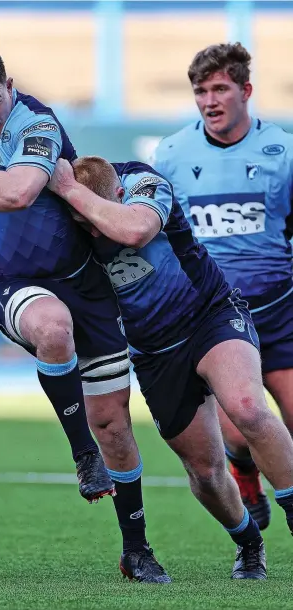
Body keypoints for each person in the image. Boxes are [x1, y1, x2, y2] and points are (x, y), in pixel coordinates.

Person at [0, 49, 171, 584]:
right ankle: (83, 455)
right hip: (14, 283)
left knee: (117, 426)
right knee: (52, 328)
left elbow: (22, 190)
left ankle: (137, 549)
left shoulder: (36, 123)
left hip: (85, 280)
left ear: (9, 85)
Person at [42, 154, 293, 579]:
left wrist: (70, 190)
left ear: (117, 194)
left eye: (95, 217)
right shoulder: (69, 220)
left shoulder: (142, 181)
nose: (92, 229)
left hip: (209, 315)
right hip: (154, 353)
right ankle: (249, 544)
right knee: (206, 472)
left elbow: (137, 229)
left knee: (248, 406)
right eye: (82, 222)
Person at [153, 42, 293, 531]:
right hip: (215, 316)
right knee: (238, 428)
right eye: (200, 91)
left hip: (279, 311)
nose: (210, 100)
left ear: (245, 90)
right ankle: (247, 481)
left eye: (220, 89)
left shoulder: (284, 150)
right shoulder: (170, 155)